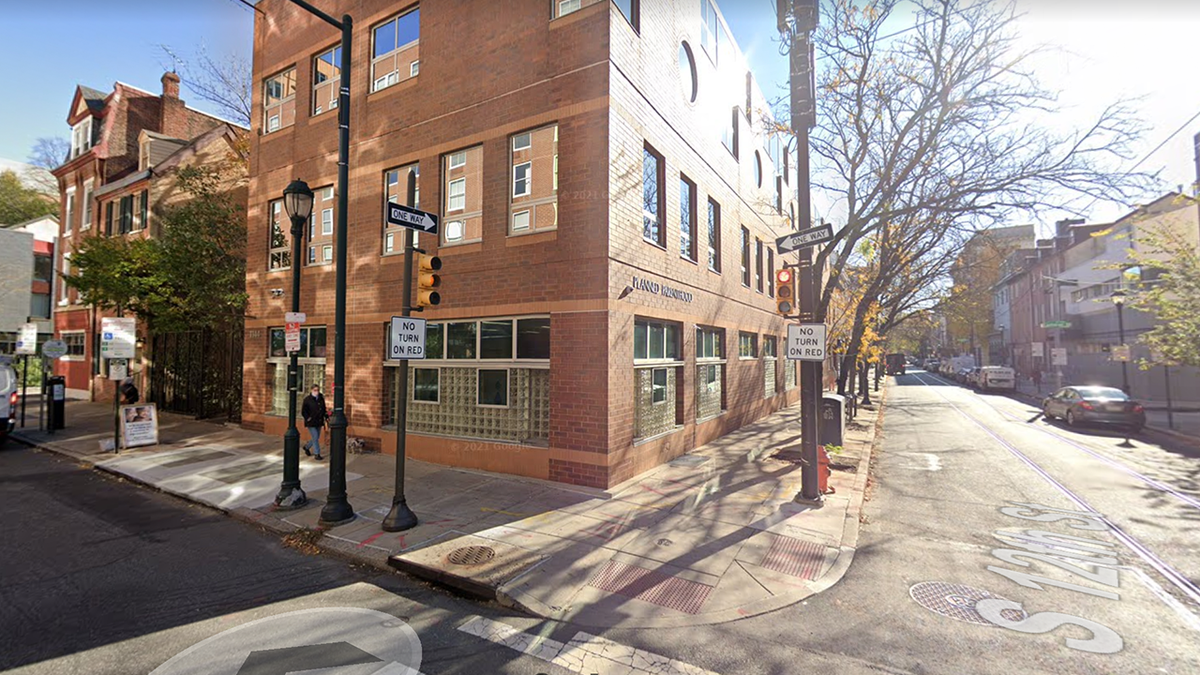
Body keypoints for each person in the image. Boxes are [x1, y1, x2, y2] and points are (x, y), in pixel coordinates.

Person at [300, 383, 327, 460]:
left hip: (318, 421)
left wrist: (325, 415)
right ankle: (317, 453)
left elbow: (323, 408)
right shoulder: (307, 400)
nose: (317, 392)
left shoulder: (321, 398)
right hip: (311, 422)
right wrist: (308, 418)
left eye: (318, 390)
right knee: (315, 437)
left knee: (316, 437)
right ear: (311, 390)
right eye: (315, 390)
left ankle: (307, 447)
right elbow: (304, 411)